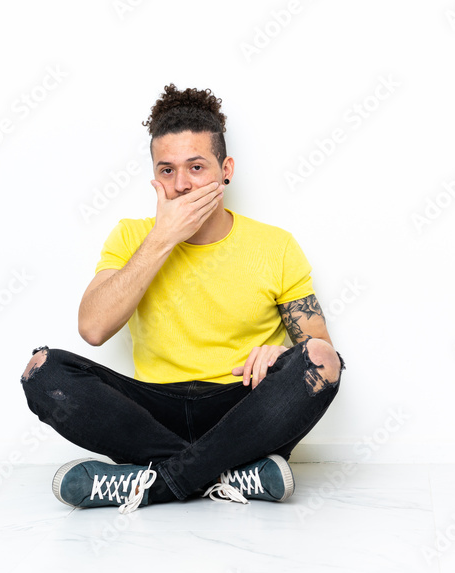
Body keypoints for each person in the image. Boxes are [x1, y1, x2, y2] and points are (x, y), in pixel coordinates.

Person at [19, 83, 345, 514]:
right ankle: (227, 475)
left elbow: (321, 352)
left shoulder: (275, 245)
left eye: (196, 167)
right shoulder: (133, 236)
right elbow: (93, 329)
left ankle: (153, 483)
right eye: (167, 171)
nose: (182, 185)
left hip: (240, 408)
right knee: (42, 371)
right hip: (152, 415)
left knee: (320, 360)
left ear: (226, 170)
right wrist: (163, 237)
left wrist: (280, 352)